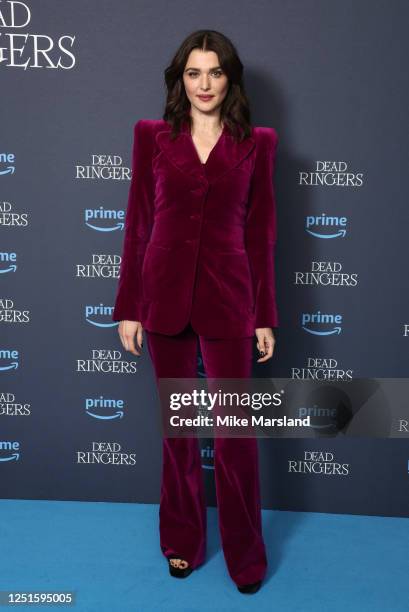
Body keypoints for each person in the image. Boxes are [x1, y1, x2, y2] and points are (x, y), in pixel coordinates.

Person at [112, 29, 279, 595]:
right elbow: (138, 225)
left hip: (231, 300)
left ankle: (246, 556)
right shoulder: (151, 138)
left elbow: (261, 236)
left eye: (214, 72)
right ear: (179, 79)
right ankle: (181, 541)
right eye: (192, 73)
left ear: (229, 78)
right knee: (178, 434)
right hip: (162, 298)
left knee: (234, 436)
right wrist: (129, 306)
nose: (203, 84)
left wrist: (264, 315)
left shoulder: (258, 143)